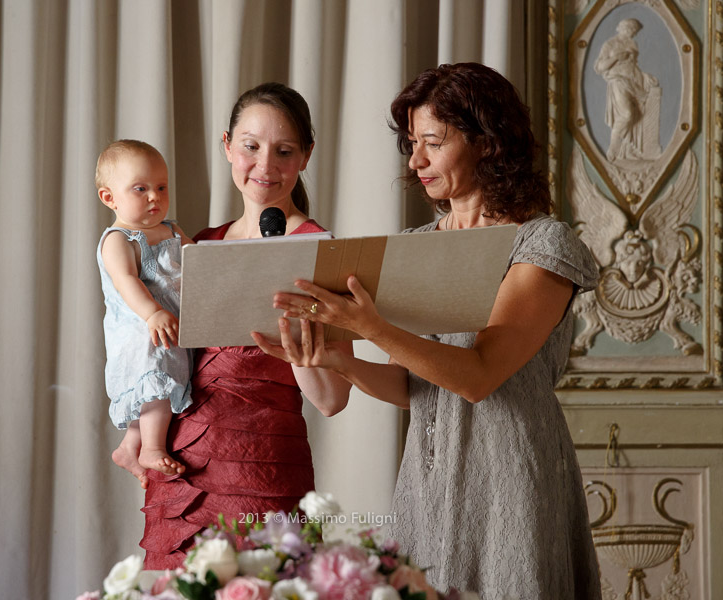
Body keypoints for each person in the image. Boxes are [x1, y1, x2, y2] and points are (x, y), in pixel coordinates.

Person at [253, 63, 603, 599]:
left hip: (510, 484)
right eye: (412, 144)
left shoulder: (542, 245)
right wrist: (337, 359)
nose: (416, 161)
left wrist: (366, 325)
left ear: (487, 141)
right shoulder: (416, 245)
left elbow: (478, 377)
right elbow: (413, 387)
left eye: (433, 142)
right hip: (425, 484)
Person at [140, 83, 353, 569]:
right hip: (181, 470)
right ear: (227, 146)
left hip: (265, 467)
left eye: (284, 151)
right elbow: (166, 354)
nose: (265, 166)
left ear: (305, 157)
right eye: (250, 147)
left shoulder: (323, 248)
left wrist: (292, 333)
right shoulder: (200, 244)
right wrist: (140, 433)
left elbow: (333, 398)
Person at [96, 139, 194, 489]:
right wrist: (152, 313)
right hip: (139, 327)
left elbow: (197, 262)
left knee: (159, 380)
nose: (154, 196)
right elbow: (126, 281)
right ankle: (152, 448)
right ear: (110, 198)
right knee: (155, 379)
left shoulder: (172, 229)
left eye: (161, 187)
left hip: (170, 324)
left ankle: (128, 447)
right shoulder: (118, 240)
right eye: (141, 188)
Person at [594, 18, 661, 161]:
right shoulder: (610, 44)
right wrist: (616, 58)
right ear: (621, 28)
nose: (633, 32)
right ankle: (613, 148)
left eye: (634, 30)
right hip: (617, 81)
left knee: (637, 116)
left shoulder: (633, 44)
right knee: (626, 114)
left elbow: (632, 66)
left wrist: (644, 75)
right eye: (630, 29)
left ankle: (627, 150)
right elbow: (599, 67)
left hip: (634, 82)